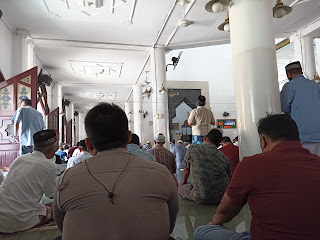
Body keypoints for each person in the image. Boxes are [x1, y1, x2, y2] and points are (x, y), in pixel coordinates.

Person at [53, 103, 178, 240]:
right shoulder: (161, 172)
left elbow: (63, 227)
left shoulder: (67, 178)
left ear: (88, 143)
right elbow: (170, 226)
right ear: (129, 137)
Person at [194, 114, 320, 240]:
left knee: (202, 231)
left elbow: (226, 211)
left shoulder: (251, 164)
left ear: (263, 139)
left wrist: (215, 223)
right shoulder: (317, 161)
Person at [0, 130, 58, 233]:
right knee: (58, 208)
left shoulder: (20, 159)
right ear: (53, 148)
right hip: (18, 220)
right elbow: (51, 194)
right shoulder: (49, 166)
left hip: (2, 216)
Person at [179, 129, 231, 205]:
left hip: (200, 195)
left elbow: (186, 170)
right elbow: (229, 178)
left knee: (181, 189)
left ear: (205, 137)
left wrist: (183, 183)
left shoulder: (193, 149)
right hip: (221, 196)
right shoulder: (224, 157)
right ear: (219, 143)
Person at [280, 61, 320, 156]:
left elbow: (284, 107)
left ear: (288, 74)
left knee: (305, 166)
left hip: (301, 136)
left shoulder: (289, 86)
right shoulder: (315, 85)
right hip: (318, 135)